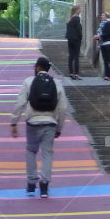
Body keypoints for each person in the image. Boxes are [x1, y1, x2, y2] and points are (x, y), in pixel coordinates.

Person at [10, 55, 69, 197]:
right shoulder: (57, 83)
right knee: (47, 153)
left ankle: (31, 184)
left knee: (31, 151)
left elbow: (20, 103)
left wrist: (14, 122)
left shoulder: (28, 82)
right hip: (50, 123)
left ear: (37, 68)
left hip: (32, 122)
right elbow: (62, 108)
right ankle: (44, 186)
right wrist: (59, 128)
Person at [94, 11, 110, 81]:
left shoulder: (109, 23)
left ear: (106, 16)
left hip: (108, 43)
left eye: (103, 15)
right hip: (102, 43)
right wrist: (97, 37)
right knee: (105, 60)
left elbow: (107, 33)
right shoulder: (102, 24)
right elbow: (100, 33)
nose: (101, 16)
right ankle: (107, 75)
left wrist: (99, 36)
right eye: (101, 15)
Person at [65, 5, 83, 79]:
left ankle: (71, 73)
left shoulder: (70, 19)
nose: (80, 10)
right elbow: (79, 30)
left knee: (71, 56)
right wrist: (81, 38)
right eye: (79, 9)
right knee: (76, 56)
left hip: (70, 39)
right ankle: (76, 74)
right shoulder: (77, 18)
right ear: (76, 10)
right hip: (76, 40)